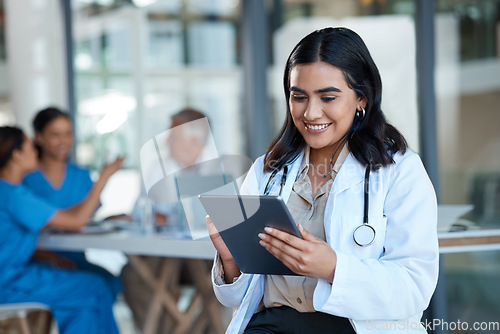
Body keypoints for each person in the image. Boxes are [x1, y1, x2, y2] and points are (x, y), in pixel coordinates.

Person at [206, 27, 439, 334]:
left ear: (361, 99)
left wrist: (333, 268)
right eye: (298, 97)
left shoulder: (399, 171)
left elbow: (414, 288)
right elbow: (239, 295)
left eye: (328, 97)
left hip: (353, 326)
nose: (311, 113)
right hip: (271, 325)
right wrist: (230, 260)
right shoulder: (268, 170)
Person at [0, 126, 124, 334]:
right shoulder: (16, 196)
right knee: (92, 286)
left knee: (89, 290)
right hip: (10, 282)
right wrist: (104, 177)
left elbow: (60, 216)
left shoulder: (8, 191)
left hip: (13, 275)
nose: (35, 152)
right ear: (17, 155)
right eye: (31, 147)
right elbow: (75, 222)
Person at [121, 107, 215, 333]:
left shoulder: (219, 167)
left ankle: (206, 329)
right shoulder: (158, 168)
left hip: (207, 256)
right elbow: (142, 211)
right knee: (133, 275)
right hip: (165, 254)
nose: (166, 141)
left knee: (230, 276)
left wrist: (171, 214)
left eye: (173, 135)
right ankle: (166, 329)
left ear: (194, 138)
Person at [23, 106, 122, 299]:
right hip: (39, 258)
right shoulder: (24, 180)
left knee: (111, 281)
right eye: (55, 135)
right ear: (39, 137)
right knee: (95, 286)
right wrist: (103, 178)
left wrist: (110, 219)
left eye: (68, 134)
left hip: (76, 258)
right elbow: (21, 231)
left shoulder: (81, 176)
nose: (64, 141)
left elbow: (85, 219)